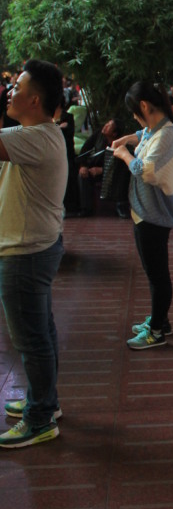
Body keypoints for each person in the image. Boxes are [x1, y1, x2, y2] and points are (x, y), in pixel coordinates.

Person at [0, 60, 67, 449]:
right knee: (42, 333)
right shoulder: (37, 134)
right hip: (37, 247)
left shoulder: (36, 138)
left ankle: (39, 417)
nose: (11, 89)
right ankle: (46, 402)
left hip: (25, 254)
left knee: (32, 341)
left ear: (35, 99)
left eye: (17, 86)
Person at [112, 82, 173, 349]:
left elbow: (146, 170)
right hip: (145, 214)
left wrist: (123, 155)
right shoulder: (158, 130)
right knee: (155, 273)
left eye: (134, 111)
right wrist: (130, 138)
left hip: (153, 216)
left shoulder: (167, 134)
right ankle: (160, 320)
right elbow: (146, 134)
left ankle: (156, 331)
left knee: (158, 276)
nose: (133, 116)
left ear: (143, 106)